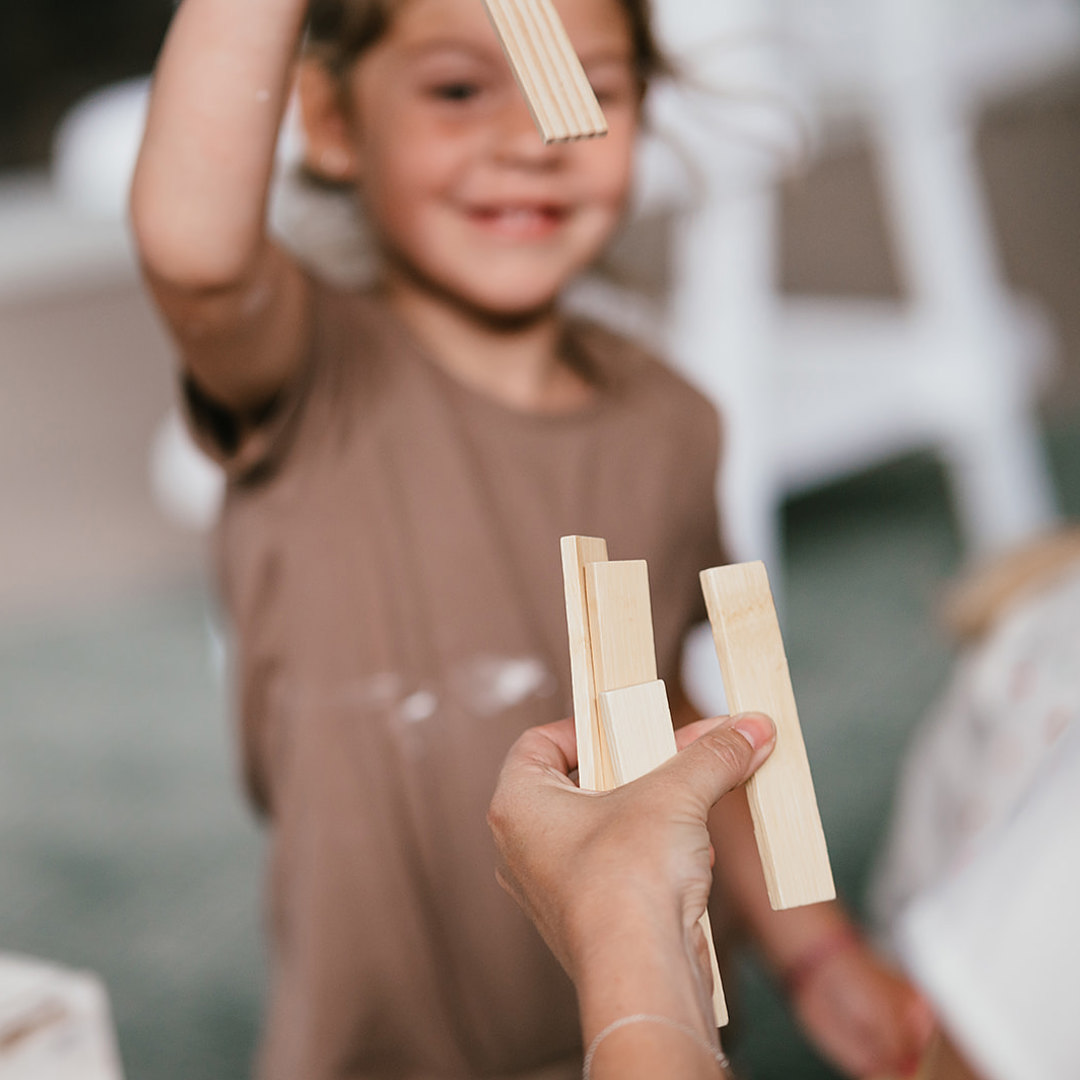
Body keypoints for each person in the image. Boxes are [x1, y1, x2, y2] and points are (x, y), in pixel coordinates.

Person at [130, 1, 930, 1076]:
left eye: (591, 92)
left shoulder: (672, 422)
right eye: (458, 90)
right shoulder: (309, 372)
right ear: (329, 121)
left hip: (640, 1011)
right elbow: (196, 252)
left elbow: (695, 716)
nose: (529, 141)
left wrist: (815, 944)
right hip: (378, 1040)